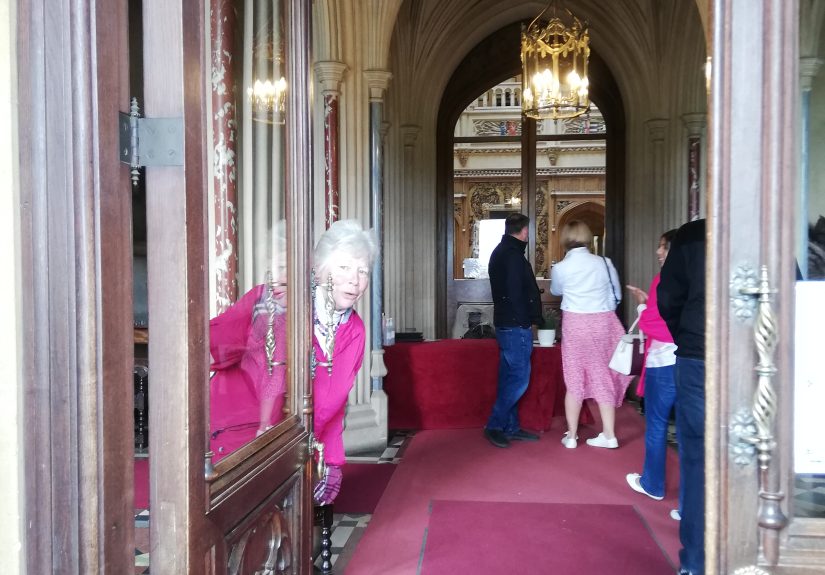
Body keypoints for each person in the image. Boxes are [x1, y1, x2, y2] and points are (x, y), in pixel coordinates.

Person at [310, 219, 378, 505]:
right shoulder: (284, 308)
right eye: (344, 267)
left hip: (317, 449)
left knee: (314, 515)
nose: (355, 280)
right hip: (261, 446)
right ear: (319, 268)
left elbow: (333, 402)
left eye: (363, 271)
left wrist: (330, 458)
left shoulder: (356, 330)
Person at [550, 220, 632, 449]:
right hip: (602, 322)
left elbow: (556, 290)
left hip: (574, 323)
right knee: (602, 374)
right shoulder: (604, 263)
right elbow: (617, 294)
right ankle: (609, 434)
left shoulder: (561, 268)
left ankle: (571, 436)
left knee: (574, 376)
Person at [657, 218, 706, 575]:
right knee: (758, 457)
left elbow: (669, 298)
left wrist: (687, 336)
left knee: (698, 457)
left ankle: (696, 562)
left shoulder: (692, 235)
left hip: (698, 355)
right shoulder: (769, 224)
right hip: (758, 356)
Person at [624, 230, 682, 518]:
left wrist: (642, 305)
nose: (659, 252)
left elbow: (655, 323)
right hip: (692, 361)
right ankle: (692, 506)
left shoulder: (665, 279)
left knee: (657, 423)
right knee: (690, 432)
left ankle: (653, 483)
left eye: (664, 247)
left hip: (664, 360)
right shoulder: (698, 278)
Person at [483, 213, 543, 448]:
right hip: (515, 325)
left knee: (509, 377)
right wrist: (525, 321)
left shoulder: (502, 251)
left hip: (506, 323)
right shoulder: (513, 255)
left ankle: (510, 426)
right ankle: (494, 425)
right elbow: (516, 291)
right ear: (524, 231)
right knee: (519, 379)